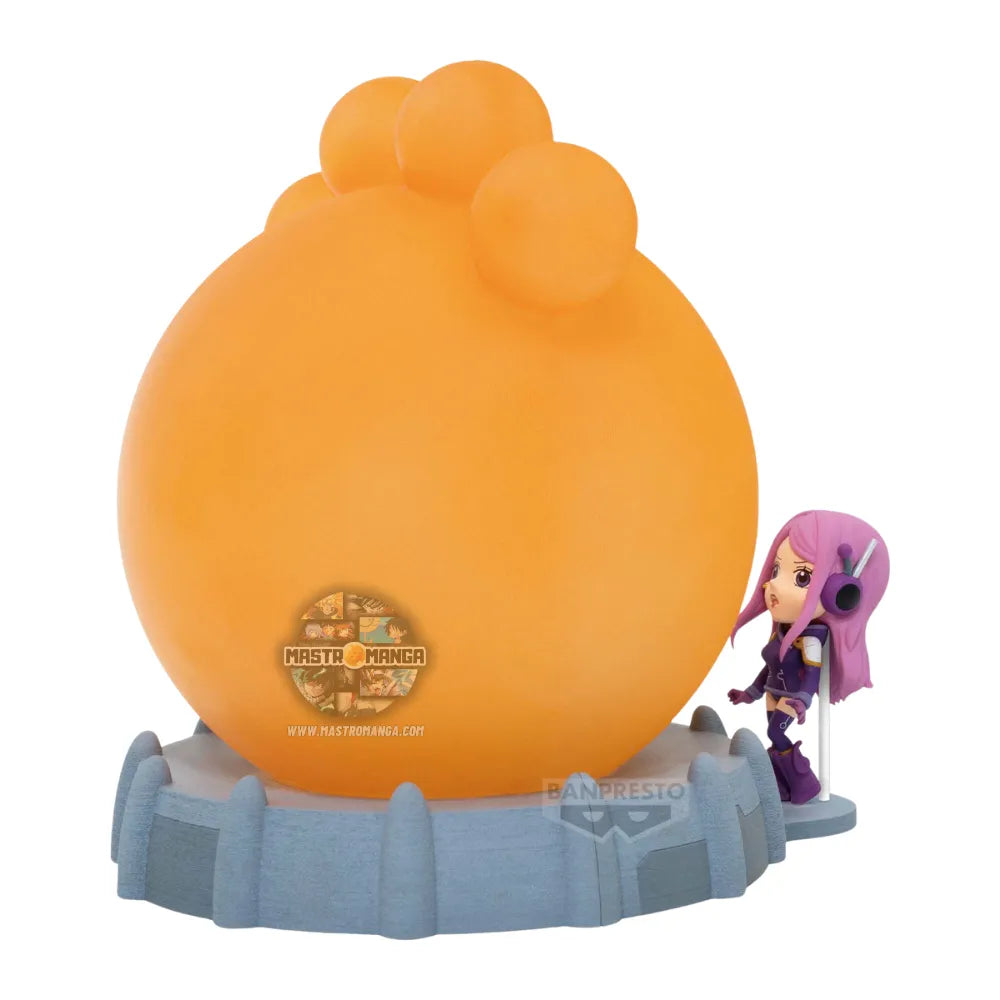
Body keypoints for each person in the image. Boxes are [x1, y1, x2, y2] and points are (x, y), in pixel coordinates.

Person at [728, 510, 889, 803]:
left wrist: (803, 701)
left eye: (801, 577)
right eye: (776, 571)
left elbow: (812, 674)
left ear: (840, 594)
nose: (774, 586)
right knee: (773, 737)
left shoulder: (811, 637)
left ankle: (805, 784)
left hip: (791, 698)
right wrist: (749, 693)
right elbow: (769, 667)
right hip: (773, 694)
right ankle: (781, 788)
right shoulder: (782, 630)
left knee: (777, 735)